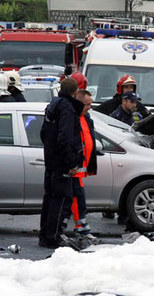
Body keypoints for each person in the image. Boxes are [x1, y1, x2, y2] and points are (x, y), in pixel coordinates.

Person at [39, 78, 84, 248]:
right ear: (75, 92)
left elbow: (44, 133)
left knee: (50, 199)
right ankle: (54, 236)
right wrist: (71, 162)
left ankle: (45, 235)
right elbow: (66, 137)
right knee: (61, 199)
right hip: (61, 163)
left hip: (51, 161)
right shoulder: (66, 108)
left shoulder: (53, 105)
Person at [62, 89, 99, 244]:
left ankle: (77, 229)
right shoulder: (73, 118)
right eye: (87, 105)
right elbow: (70, 142)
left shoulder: (86, 117)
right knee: (73, 200)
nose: (90, 107)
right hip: (73, 169)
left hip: (79, 170)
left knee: (76, 200)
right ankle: (75, 230)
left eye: (91, 104)